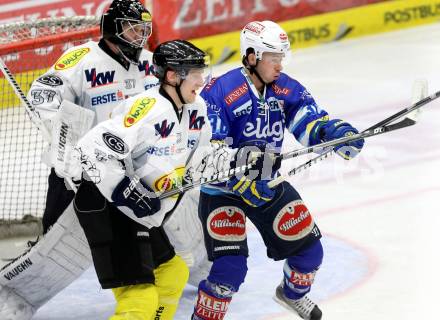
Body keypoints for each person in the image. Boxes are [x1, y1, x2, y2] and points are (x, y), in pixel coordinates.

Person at [0, 1, 209, 318]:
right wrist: (60, 132)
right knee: (54, 247)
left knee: (162, 228)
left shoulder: (151, 65)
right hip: (82, 171)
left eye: (144, 29)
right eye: (132, 27)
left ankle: (173, 278)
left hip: (133, 174)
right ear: (112, 27)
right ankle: (16, 296)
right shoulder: (83, 58)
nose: (139, 35)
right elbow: (44, 92)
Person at [191, 20, 364, 320]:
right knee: (228, 272)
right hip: (223, 192)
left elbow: (307, 122)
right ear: (252, 56)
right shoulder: (220, 91)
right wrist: (237, 176)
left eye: (282, 57)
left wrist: (332, 132)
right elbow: (210, 149)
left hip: (266, 183)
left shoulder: (285, 88)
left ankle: (291, 293)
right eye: (273, 58)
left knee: (310, 254)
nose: (279, 65)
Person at [73, 39, 211, 319]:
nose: (201, 80)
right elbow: (90, 149)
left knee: (173, 273)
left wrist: (244, 161)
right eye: (194, 72)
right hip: (105, 202)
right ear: (172, 76)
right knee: (140, 299)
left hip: (133, 209)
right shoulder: (149, 107)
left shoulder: (193, 110)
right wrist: (126, 191)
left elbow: (204, 155)